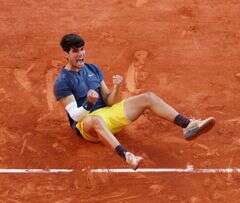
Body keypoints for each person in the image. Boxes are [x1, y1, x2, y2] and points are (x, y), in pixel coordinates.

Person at [54, 33, 215, 170]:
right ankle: (127, 156)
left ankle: (188, 125)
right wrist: (88, 103)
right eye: (75, 51)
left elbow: (110, 102)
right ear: (66, 54)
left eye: (82, 49)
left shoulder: (93, 69)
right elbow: (75, 116)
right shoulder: (62, 82)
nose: (81, 54)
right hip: (87, 126)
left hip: (108, 116)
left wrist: (116, 87)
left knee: (148, 97)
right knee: (94, 119)